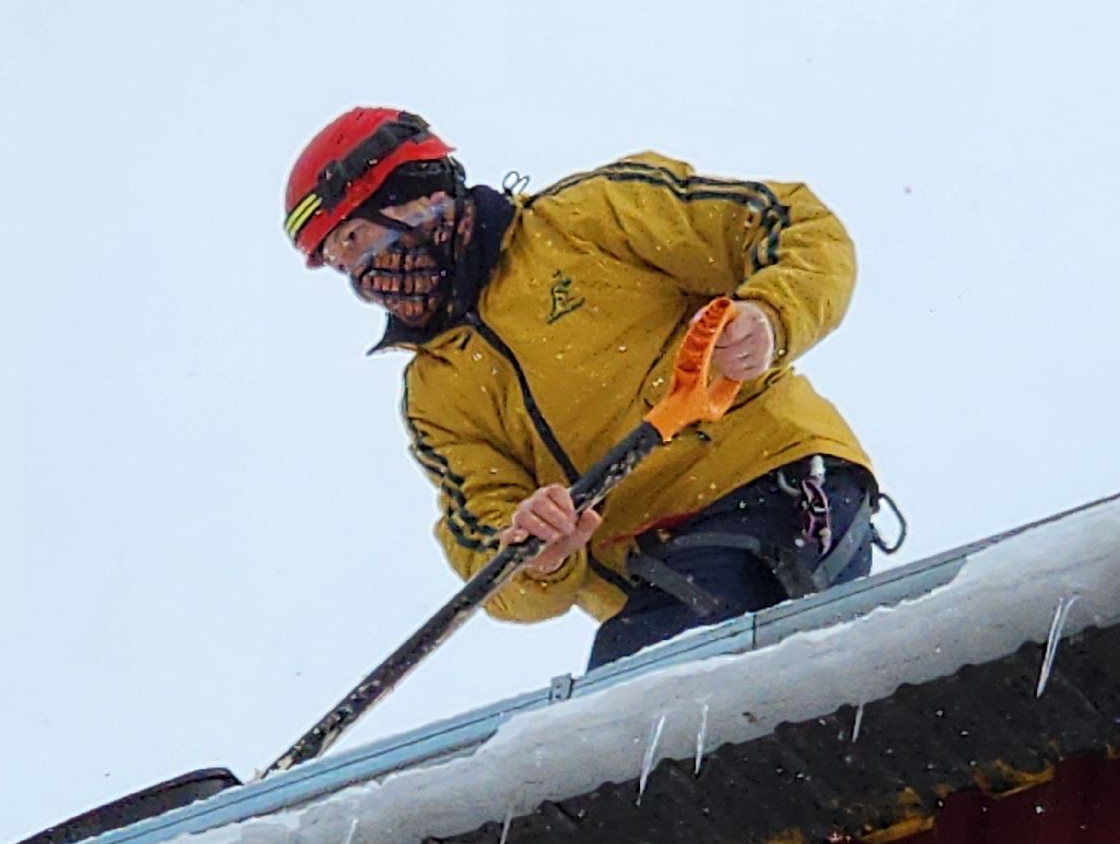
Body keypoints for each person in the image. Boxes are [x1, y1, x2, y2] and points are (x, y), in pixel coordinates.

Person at [285, 107, 891, 670]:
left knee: (648, 691)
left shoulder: (587, 218)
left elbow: (795, 226)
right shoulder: (435, 394)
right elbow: (486, 555)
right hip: (659, 577)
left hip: (772, 487)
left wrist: (772, 315)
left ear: (416, 198)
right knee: (633, 692)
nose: (366, 279)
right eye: (344, 266)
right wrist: (535, 555)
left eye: (356, 240)